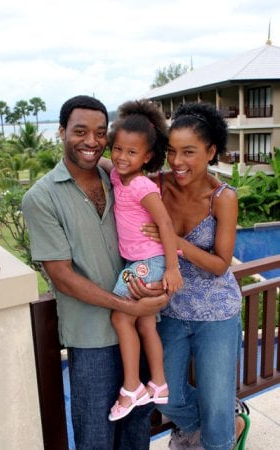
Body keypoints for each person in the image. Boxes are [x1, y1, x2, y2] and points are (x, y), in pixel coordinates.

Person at [22, 95, 169, 450]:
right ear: (61, 132)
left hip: (138, 328)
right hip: (91, 340)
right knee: (95, 438)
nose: (91, 141)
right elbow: (62, 276)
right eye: (80, 131)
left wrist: (154, 293)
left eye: (100, 133)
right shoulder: (41, 197)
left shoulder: (116, 177)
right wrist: (131, 307)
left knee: (136, 434)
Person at [135, 102, 248, 450]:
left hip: (216, 313)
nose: (178, 162)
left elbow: (219, 265)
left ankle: (220, 433)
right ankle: (229, 421)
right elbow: (116, 166)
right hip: (170, 309)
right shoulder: (156, 186)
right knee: (163, 396)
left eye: (189, 152)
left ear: (211, 151)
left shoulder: (223, 197)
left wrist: (175, 239)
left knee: (216, 407)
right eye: (172, 152)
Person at [105, 100, 183, 422]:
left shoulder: (141, 184)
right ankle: (160, 383)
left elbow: (165, 224)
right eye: (118, 149)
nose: (122, 157)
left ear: (148, 156)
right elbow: (105, 166)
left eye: (132, 152)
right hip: (139, 261)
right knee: (146, 322)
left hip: (146, 263)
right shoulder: (117, 177)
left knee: (121, 318)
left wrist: (172, 268)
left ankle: (132, 387)